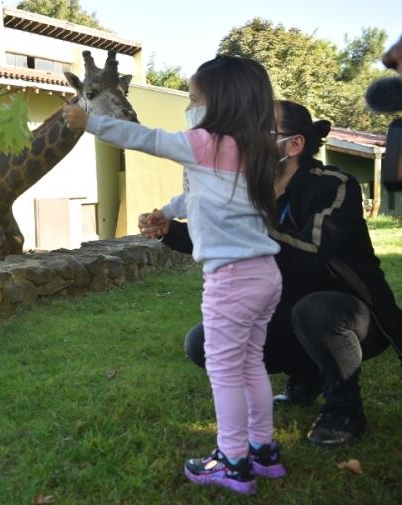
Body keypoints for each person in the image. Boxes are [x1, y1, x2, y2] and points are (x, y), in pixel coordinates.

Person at [63, 55, 283, 495]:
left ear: (220, 101)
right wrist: (166, 210)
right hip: (265, 275)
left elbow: (146, 138)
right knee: (250, 363)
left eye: (193, 97)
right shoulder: (255, 148)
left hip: (231, 280)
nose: (188, 105)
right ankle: (263, 450)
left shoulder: (205, 142)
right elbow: (200, 193)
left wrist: (89, 123)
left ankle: (233, 460)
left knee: (223, 369)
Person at [142, 99, 402, 448]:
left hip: (351, 317)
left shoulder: (335, 184)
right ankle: (304, 374)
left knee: (315, 310)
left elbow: (313, 252)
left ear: (294, 145)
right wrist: (169, 229)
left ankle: (344, 408)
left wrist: (246, 223)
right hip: (284, 309)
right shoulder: (248, 189)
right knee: (203, 342)